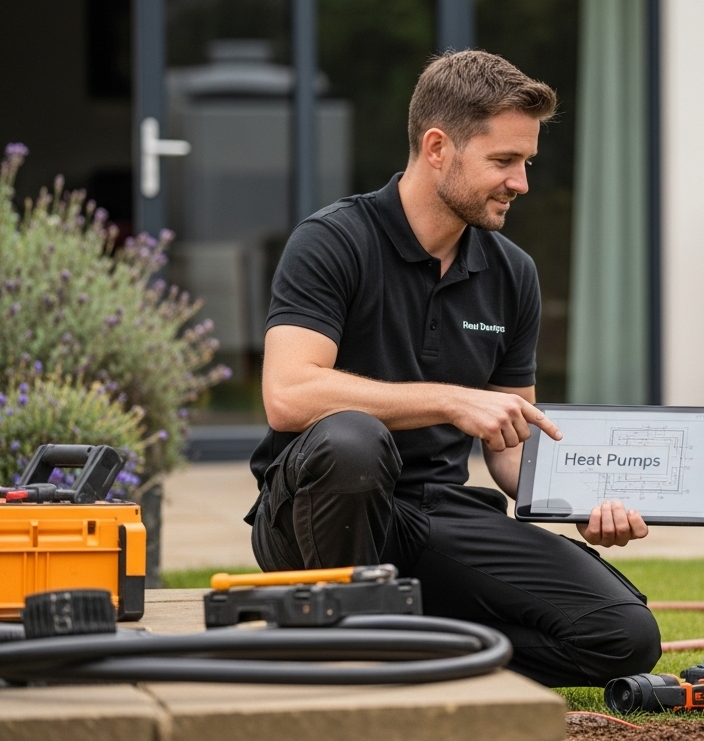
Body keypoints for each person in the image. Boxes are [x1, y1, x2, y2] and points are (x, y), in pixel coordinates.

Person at [244, 50, 660, 688]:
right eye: (504, 161)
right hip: (316, 516)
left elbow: (509, 441)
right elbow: (289, 394)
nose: (521, 183)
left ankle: (403, 643)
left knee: (624, 636)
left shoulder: (512, 272)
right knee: (352, 440)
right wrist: (449, 400)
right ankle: (354, 643)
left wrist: (578, 500)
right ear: (438, 148)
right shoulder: (333, 241)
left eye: (526, 163)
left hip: (439, 516)